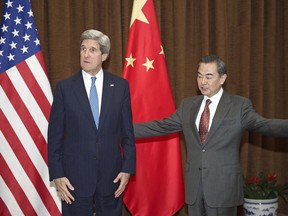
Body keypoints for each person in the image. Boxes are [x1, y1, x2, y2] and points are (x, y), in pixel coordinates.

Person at [133, 54, 288, 216]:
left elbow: (264, 125)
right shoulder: (188, 105)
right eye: (199, 76)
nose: (203, 82)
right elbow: (160, 126)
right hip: (194, 188)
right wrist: (120, 130)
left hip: (223, 188)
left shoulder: (239, 105)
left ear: (222, 78)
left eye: (209, 76)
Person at [48, 29, 136, 216]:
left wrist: (127, 169)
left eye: (93, 50)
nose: (86, 54)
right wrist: (57, 174)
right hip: (73, 179)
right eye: (83, 49)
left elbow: (127, 133)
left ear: (104, 55)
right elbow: (54, 136)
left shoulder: (120, 87)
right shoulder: (65, 88)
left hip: (111, 178)